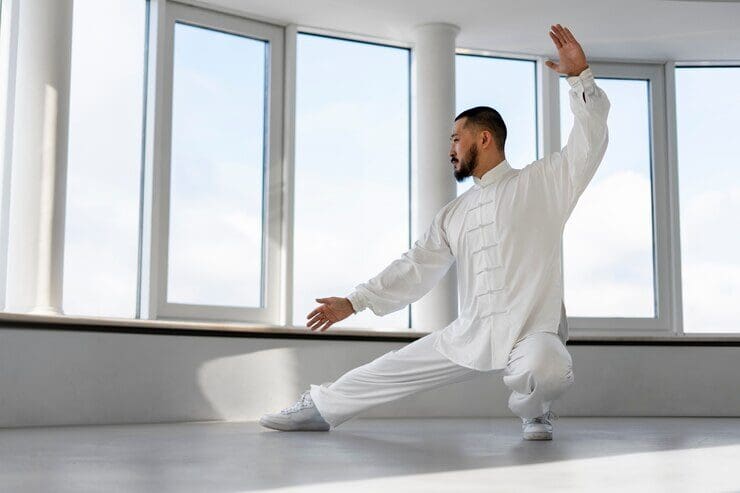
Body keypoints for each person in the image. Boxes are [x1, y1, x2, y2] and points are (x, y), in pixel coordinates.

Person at [260, 24, 610, 440]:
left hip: (533, 333)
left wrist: (580, 77)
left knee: (546, 366)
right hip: (472, 332)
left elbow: (589, 142)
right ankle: (318, 407)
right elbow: (415, 267)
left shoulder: (544, 183)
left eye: (456, 139)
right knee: (389, 367)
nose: (450, 150)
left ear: (484, 138)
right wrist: (354, 302)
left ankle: (535, 410)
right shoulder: (453, 214)